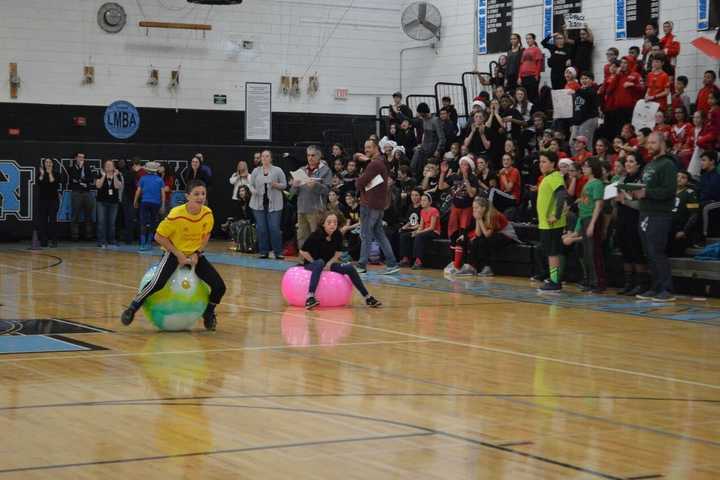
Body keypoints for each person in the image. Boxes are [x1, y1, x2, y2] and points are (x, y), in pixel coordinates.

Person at [121, 180, 226, 331]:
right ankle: (133, 306)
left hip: (194, 255)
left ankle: (208, 313)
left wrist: (197, 253)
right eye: (196, 194)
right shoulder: (176, 214)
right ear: (187, 196)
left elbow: (206, 234)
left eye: (203, 194)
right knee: (158, 283)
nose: (200, 197)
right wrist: (178, 255)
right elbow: (158, 236)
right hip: (173, 253)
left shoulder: (207, 214)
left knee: (220, 287)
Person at [630, 132, 678, 301]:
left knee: (657, 251)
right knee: (648, 252)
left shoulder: (668, 165)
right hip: (645, 212)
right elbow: (645, 187)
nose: (649, 146)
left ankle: (667, 289)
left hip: (659, 214)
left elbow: (669, 191)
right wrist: (633, 193)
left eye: (653, 142)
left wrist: (646, 192)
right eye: (648, 143)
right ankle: (655, 286)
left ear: (662, 143)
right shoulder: (650, 164)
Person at [300, 213, 381, 310]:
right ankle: (310, 297)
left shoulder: (337, 235)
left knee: (349, 267)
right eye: (329, 222)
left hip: (328, 264)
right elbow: (303, 251)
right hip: (312, 263)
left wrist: (329, 263)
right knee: (320, 262)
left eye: (335, 222)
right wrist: (315, 262)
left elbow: (338, 252)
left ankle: (367, 297)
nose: (332, 224)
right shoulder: (315, 235)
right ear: (323, 224)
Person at [355, 139, 399, 274]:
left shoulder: (374, 164)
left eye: (369, 147)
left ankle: (362, 265)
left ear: (376, 148)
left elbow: (359, 183)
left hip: (369, 204)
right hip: (378, 205)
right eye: (365, 147)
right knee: (379, 235)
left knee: (366, 235)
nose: (366, 150)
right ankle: (391, 263)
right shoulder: (380, 162)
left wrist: (359, 179)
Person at [562, 157, 606, 292]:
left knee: (594, 253)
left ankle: (599, 283)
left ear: (593, 168)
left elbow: (598, 204)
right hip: (585, 218)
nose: (584, 169)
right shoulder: (588, 183)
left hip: (592, 219)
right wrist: (578, 228)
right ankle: (590, 281)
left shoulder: (597, 183)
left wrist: (592, 224)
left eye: (587, 166)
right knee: (587, 253)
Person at [614, 153, 648, 295]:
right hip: (622, 219)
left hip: (636, 219)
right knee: (625, 251)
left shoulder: (641, 180)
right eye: (627, 161)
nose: (628, 164)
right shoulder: (623, 179)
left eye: (631, 161)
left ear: (638, 164)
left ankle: (642, 284)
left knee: (636, 251)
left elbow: (641, 204)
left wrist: (625, 201)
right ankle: (628, 283)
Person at [536, 151, 568, 291]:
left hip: (551, 224)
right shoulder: (548, 178)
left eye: (544, 161)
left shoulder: (554, 177)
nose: (541, 164)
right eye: (540, 162)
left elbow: (561, 195)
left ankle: (555, 281)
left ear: (552, 163)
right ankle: (555, 279)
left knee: (552, 253)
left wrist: (556, 214)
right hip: (546, 224)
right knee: (552, 253)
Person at [291, 145, 333, 249]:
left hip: (316, 210)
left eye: (313, 155)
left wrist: (316, 185)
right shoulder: (301, 170)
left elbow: (327, 190)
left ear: (319, 156)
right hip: (301, 209)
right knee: (301, 236)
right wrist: (294, 186)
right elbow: (292, 193)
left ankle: (316, 259)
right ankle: (303, 260)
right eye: (308, 155)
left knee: (316, 236)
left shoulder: (326, 171)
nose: (310, 158)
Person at [249, 150, 287, 259]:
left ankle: (278, 252)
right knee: (261, 228)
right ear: (261, 158)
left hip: (275, 204)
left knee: (274, 228)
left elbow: (284, 185)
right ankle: (263, 251)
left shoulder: (278, 170)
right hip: (258, 204)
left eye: (267, 156)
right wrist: (252, 190)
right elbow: (250, 185)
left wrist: (275, 185)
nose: (265, 158)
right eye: (263, 156)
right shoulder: (256, 171)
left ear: (271, 158)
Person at [438, 156, 479, 238]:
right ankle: (453, 246)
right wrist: (442, 173)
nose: (463, 166)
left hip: (467, 208)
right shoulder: (454, 176)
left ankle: (461, 247)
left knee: (463, 231)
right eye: (461, 164)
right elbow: (441, 187)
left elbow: (471, 194)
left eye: (465, 164)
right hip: (455, 207)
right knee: (453, 231)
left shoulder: (473, 178)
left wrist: (466, 179)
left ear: (469, 167)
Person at [134, 161, 165, 251]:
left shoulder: (143, 179)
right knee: (153, 223)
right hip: (156, 203)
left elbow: (138, 191)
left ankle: (142, 244)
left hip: (145, 202)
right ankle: (148, 243)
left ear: (147, 170)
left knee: (143, 222)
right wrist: (163, 205)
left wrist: (135, 201)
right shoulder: (159, 179)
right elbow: (162, 194)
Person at [410, 103, 446, 179]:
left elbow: (442, 138)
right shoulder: (424, 120)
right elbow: (425, 136)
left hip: (433, 148)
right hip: (424, 147)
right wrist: (421, 145)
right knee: (414, 164)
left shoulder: (435, 120)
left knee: (420, 164)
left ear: (423, 112)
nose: (419, 114)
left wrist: (438, 150)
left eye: (420, 113)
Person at [405, 193, 441, 270]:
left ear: (430, 202)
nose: (422, 202)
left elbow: (432, 227)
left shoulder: (434, 210)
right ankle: (406, 259)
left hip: (434, 232)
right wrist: (416, 231)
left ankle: (418, 261)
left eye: (424, 200)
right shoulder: (422, 211)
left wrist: (419, 232)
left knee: (419, 236)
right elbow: (421, 226)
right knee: (406, 235)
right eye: (421, 200)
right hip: (425, 231)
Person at [669, 170, 700, 256]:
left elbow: (694, 214)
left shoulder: (689, 193)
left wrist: (684, 231)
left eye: (683, 177)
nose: (679, 179)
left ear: (687, 181)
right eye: (677, 177)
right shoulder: (669, 191)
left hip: (679, 229)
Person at [95, 159, 123, 248]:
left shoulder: (118, 175)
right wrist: (104, 176)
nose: (108, 166)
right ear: (104, 166)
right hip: (101, 201)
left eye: (110, 165)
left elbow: (117, 186)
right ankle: (101, 240)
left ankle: (111, 240)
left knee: (112, 222)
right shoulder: (99, 174)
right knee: (101, 222)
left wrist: (114, 176)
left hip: (113, 202)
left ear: (114, 167)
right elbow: (98, 185)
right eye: (106, 165)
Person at [68, 152, 95, 241]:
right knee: (75, 215)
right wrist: (80, 171)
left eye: (83, 157)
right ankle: (74, 236)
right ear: (76, 158)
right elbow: (73, 178)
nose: (81, 159)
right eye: (79, 157)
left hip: (87, 193)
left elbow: (91, 179)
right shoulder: (72, 168)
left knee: (88, 215)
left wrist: (81, 180)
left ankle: (89, 236)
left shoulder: (87, 167)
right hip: (76, 193)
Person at [36, 157, 61, 248]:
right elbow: (39, 183)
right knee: (43, 221)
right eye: (46, 162)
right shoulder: (40, 173)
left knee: (53, 221)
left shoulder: (56, 173)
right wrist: (42, 174)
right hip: (42, 200)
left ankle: (54, 241)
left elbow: (53, 183)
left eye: (50, 162)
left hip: (53, 200)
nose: (48, 163)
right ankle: (44, 241)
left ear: (52, 164)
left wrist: (50, 173)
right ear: (44, 163)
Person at [518, 33, 543, 104]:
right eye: (527, 39)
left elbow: (539, 63)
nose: (528, 40)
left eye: (529, 38)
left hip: (532, 76)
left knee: (533, 96)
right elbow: (521, 64)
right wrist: (519, 77)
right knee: (525, 96)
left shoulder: (537, 50)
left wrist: (537, 75)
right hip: (523, 76)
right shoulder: (525, 51)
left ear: (533, 39)